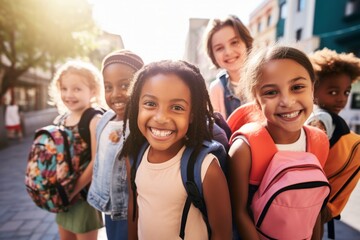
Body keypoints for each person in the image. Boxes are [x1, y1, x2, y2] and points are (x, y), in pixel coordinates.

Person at [120, 60, 232, 239]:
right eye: (150, 104)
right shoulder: (134, 156)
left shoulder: (206, 167)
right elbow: (134, 209)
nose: (161, 117)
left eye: (177, 107)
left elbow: (222, 233)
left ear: (192, 115)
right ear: (136, 106)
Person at [228, 45, 329, 240]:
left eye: (297, 87)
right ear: (256, 101)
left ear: (312, 88)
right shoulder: (244, 149)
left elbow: (315, 207)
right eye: (271, 92)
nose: (287, 101)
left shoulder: (319, 141)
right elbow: (238, 213)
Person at [87, 49, 144, 240]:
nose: (116, 94)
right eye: (108, 87)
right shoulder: (104, 120)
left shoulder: (140, 126)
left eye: (125, 85)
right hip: (108, 207)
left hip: (130, 212)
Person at [306, 48, 360, 238]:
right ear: (313, 89)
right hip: (315, 199)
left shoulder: (324, 116)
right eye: (333, 91)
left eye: (346, 92)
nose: (341, 98)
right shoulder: (321, 118)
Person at [48, 60, 104, 240]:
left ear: (93, 91)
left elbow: (97, 162)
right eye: (64, 89)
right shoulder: (61, 119)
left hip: (83, 199)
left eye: (77, 89)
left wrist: (71, 192)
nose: (68, 95)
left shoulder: (94, 119)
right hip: (63, 198)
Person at [204, 14, 253, 119]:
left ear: (246, 43)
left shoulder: (266, 79)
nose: (228, 52)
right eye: (219, 48)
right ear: (213, 55)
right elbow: (217, 130)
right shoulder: (216, 89)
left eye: (234, 42)